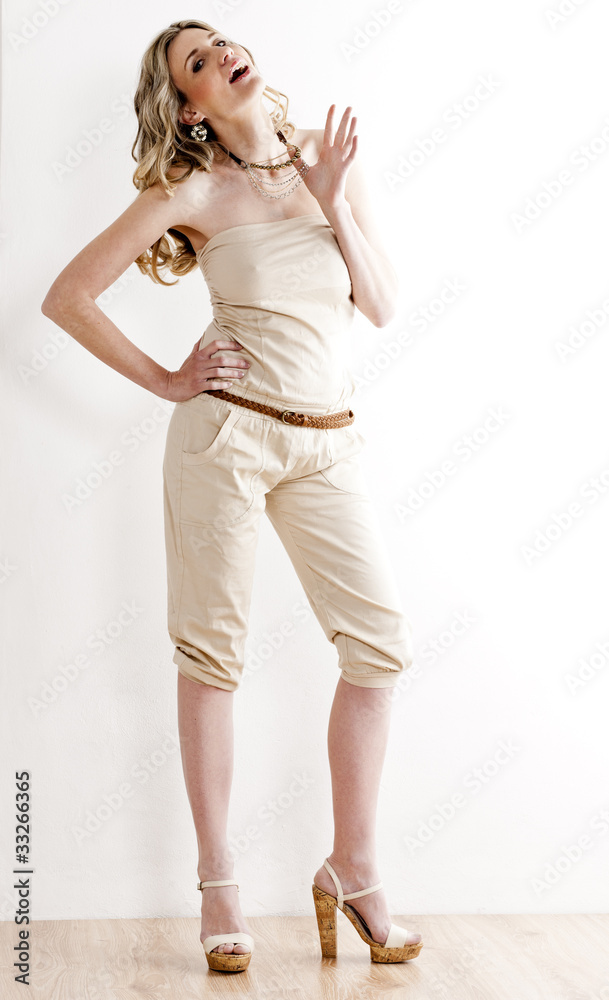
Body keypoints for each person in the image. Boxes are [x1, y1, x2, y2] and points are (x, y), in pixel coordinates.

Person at [41, 18, 423, 974]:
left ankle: (353, 867)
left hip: (327, 441)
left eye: (219, 42)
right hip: (228, 437)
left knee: (379, 646)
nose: (221, 57)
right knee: (213, 654)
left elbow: (380, 307)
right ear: (188, 107)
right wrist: (170, 380)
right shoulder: (191, 192)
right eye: (196, 62)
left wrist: (333, 203)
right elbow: (68, 295)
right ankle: (218, 883)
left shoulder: (326, 156)